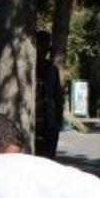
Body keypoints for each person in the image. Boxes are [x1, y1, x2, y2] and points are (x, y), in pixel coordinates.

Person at [35, 31, 65, 159]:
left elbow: (58, 96)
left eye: (46, 47)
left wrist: (58, 120)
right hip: (31, 120)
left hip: (49, 121)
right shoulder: (27, 66)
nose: (43, 50)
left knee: (48, 158)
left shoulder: (52, 69)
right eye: (40, 46)